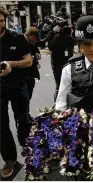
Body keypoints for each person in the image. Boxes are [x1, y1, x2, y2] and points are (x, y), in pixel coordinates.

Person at [0, 7, 32, 178]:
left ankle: (31, 153)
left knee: (23, 121)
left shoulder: (17, 37)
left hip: (18, 87)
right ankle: (10, 160)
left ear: (5, 20)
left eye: (1, 21)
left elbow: (28, 61)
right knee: (1, 125)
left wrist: (10, 63)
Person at [48, 25, 75, 101]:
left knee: (59, 84)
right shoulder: (70, 41)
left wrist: (53, 34)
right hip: (64, 64)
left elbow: (49, 45)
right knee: (65, 84)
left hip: (58, 65)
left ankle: (58, 101)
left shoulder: (57, 41)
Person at [24, 27, 41, 119]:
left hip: (31, 73)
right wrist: (31, 57)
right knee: (24, 98)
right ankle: (25, 115)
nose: (35, 39)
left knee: (28, 96)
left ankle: (26, 114)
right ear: (29, 35)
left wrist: (37, 55)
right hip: (24, 74)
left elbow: (37, 51)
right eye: (34, 37)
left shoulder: (32, 43)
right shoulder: (21, 42)